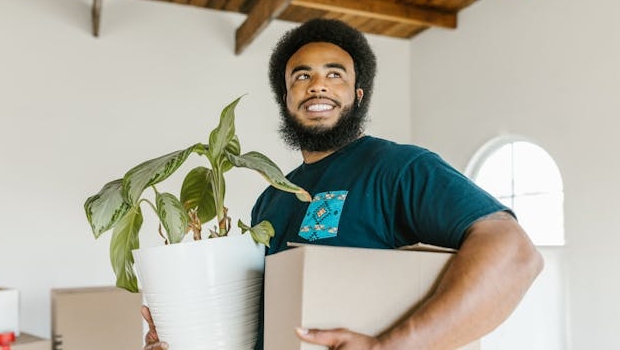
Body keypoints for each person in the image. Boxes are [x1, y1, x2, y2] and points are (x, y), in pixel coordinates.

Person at [143, 18, 543, 350]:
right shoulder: (270, 199)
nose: (318, 85)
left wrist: (389, 348)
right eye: (302, 76)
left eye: (334, 74)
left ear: (358, 94)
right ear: (287, 98)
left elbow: (515, 253)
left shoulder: (398, 167)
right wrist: (187, 336)